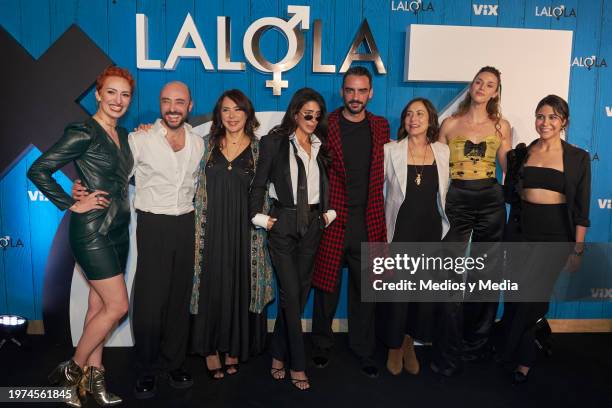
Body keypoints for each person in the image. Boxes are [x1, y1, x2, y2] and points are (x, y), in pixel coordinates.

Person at [28, 66, 135, 407]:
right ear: (98, 95)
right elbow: (39, 169)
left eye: (125, 94)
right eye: (112, 93)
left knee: (99, 305)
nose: (118, 101)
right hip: (92, 230)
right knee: (118, 305)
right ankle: (72, 369)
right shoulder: (83, 131)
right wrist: (69, 201)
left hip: (119, 229)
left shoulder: (125, 134)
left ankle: (93, 380)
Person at [500, 95, 590, 384]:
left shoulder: (577, 157)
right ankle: (522, 349)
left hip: (555, 236)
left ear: (563, 121)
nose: (545, 122)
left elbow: (581, 209)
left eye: (552, 117)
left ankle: (519, 356)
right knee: (516, 297)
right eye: (540, 116)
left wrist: (577, 249)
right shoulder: (524, 152)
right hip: (521, 232)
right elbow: (510, 187)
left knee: (533, 300)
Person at [249, 88, 335, 390]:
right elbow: (258, 185)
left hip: (313, 225)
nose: (312, 119)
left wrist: (329, 213)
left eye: (317, 115)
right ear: (296, 112)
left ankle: (277, 354)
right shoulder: (273, 143)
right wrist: (259, 218)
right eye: (307, 113)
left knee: (297, 296)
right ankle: (298, 364)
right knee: (291, 295)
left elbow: (328, 184)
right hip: (283, 223)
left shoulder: (321, 146)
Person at [310, 66, 390, 378]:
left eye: (361, 91)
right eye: (349, 91)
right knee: (326, 288)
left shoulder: (382, 127)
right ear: (342, 92)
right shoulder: (325, 124)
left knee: (364, 292)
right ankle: (320, 345)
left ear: (370, 93)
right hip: (332, 219)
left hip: (369, 220)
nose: (355, 97)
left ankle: (363, 350)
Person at [190, 89, 274, 380]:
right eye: (226, 110)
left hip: (246, 234)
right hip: (209, 230)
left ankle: (235, 347)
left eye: (238, 109)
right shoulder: (204, 146)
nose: (232, 116)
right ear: (218, 115)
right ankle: (211, 349)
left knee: (240, 287)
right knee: (211, 287)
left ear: (248, 114)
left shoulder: (261, 149)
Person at [437, 66, 512, 374]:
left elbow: (507, 165)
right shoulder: (449, 124)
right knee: (450, 274)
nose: (482, 87)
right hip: (457, 198)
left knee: (486, 273)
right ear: (471, 86)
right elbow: (438, 166)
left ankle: (476, 346)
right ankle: (448, 347)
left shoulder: (501, 126)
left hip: (490, 198)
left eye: (489, 84)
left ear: (495, 92)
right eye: (478, 81)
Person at [380, 98, 450, 375]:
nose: (413, 119)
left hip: (431, 230)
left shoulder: (443, 151)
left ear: (431, 119)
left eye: (420, 114)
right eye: (409, 114)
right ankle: (393, 346)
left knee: (422, 294)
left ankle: (410, 342)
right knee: (397, 293)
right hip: (400, 230)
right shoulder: (389, 150)